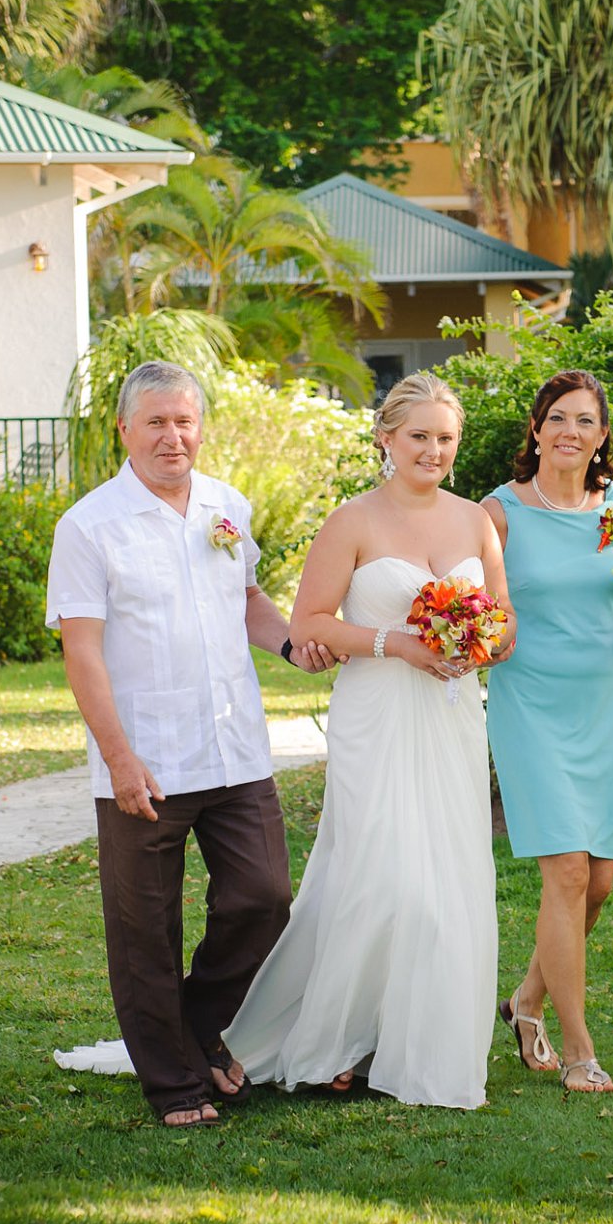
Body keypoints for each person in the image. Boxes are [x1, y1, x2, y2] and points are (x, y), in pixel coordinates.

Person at [46, 360, 336, 1129]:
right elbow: (82, 650)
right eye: (156, 422)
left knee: (264, 897)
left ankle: (194, 1028)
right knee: (146, 928)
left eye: (185, 421)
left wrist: (291, 645)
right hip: (145, 759)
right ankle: (175, 1085)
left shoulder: (225, 505)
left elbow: (246, 600)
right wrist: (117, 756)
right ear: (125, 430)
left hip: (234, 748)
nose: (174, 436)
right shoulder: (88, 526)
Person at [222, 373, 511, 1109]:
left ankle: (413, 1041)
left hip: (450, 717)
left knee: (447, 880)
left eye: (445, 438)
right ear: (386, 437)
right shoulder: (351, 521)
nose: (434, 450)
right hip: (378, 713)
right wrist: (398, 642)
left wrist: (479, 639)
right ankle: (338, 1035)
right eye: (419, 435)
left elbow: (505, 623)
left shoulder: (476, 520)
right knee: (381, 874)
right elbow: (310, 624)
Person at [482, 369, 613, 1094]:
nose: (571, 432)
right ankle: (577, 1048)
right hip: (528, 700)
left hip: (602, 703)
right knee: (564, 872)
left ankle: (524, 1000)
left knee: (597, 881)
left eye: (586, 421)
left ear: (602, 436)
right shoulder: (497, 513)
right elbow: (486, 613)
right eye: (558, 418)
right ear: (535, 429)